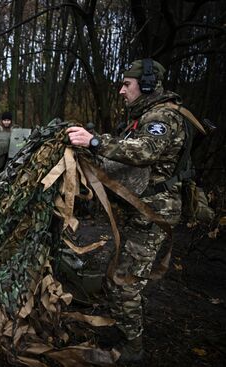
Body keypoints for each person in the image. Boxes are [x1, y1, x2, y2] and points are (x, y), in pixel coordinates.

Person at [67, 59, 198, 362]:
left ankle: (132, 351)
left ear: (147, 85)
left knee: (124, 283)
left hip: (152, 214)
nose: (121, 90)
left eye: (127, 84)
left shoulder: (163, 117)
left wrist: (95, 141)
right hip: (140, 213)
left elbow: (144, 151)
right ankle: (125, 329)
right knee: (122, 275)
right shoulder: (142, 116)